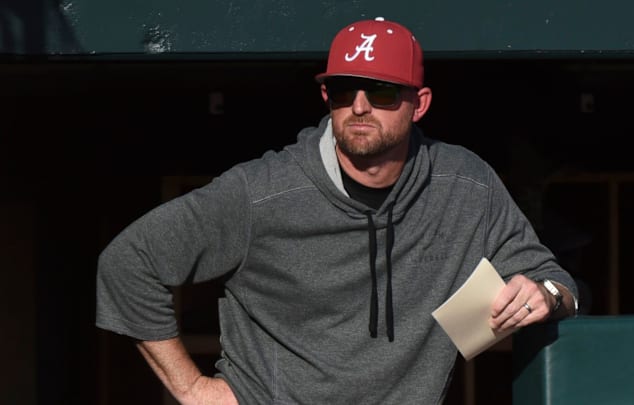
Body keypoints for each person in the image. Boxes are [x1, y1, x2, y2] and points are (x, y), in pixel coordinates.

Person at [96, 16, 578, 405]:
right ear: (327, 98)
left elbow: (554, 280)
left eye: (382, 92)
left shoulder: (464, 185)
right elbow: (128, 262)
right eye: (345, 90)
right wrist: (192, 390)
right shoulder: (260, 193)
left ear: (420, 103)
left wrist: (544, 294)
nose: (360, 106)